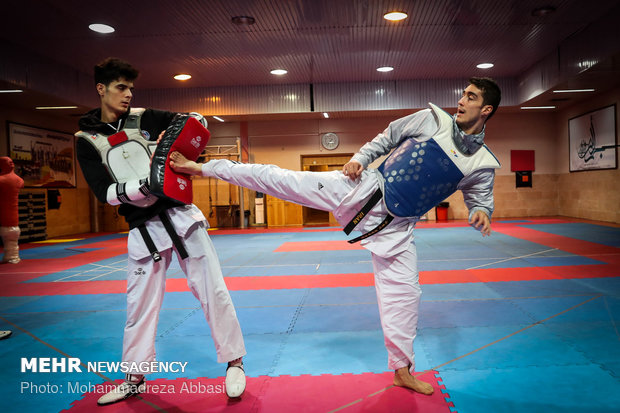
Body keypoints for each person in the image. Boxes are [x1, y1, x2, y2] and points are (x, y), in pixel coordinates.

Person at [169, 77, 502, 395]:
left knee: (405, 296)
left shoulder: (482, 163)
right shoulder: (432, 120)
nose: (461, 100)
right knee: (280, 179)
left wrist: (481, 214)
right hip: (362, 190)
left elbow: (481, 200)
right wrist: (359, 158)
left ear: (486, 109)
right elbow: (386, 138)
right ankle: (201, 167)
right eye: (464, 94)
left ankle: (402, 370)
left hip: (399, 227)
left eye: (471, 97)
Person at [75, 58, 246, 405]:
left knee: (212, 290)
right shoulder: (86, 139)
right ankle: (134, 376)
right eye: (121, 87)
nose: (128, 94)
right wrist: (145, 184)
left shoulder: (144, 117)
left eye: (130, 88)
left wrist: (175, 154)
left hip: (182, 216)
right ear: (101, 89)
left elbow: (194, 123)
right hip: (143, 228)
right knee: (139, 305)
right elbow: (104, 193)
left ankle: (235, 363)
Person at [0, 156, 24, 264]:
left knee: (9, 237)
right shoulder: (19, 180)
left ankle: (11, 257)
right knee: (12, 239)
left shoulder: (2, 180)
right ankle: (12, 257)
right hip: (13, 219)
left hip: (6, 218)